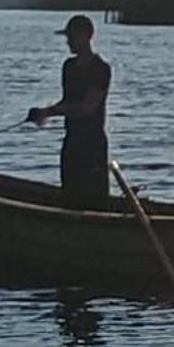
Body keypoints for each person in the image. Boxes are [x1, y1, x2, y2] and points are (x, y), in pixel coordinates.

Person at [27, 15, 113, 210]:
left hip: (93, 144)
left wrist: (50, 111)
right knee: (71, 196)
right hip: (72, 141)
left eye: (71, 37)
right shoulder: (69, 67)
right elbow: (68, 102)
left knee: (95, 199)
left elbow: (87, 108)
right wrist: (45, 113)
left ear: (86, 36)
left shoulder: (101, 69)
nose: (68, 42)